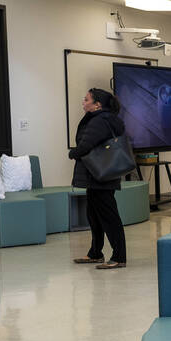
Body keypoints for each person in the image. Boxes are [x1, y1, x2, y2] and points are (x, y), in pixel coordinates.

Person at [68, 87, 127, 270]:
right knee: (94, 215)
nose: (83, 102)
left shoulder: (99, 121)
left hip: (100, 176)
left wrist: (73, 153)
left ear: (97, 104)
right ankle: (95, 253)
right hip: (98, 175)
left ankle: (119, 257)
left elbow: (86, 144)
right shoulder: (101, 118)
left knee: (109, 217)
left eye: (86, 99)